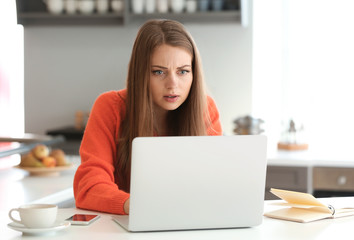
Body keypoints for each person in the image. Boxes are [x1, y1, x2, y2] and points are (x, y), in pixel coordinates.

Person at [73, 19, 222, 215]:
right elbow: (89, 186)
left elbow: (216, 184)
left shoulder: (205, 108)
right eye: (159, 72)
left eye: (183, 71)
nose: (172, 84)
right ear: (141, 73)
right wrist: (136, 206)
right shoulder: (110, 107)